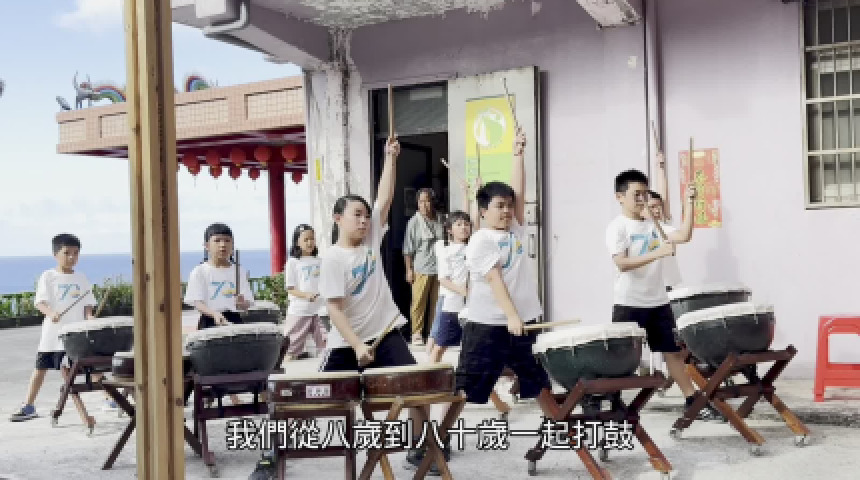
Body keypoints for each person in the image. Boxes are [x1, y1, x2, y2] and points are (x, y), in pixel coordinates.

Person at [606, 169, 721, 420]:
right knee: (621, 359)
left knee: (673, 354)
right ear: (620, 197)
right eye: (636, 194)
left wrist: (689, 202)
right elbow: (622, 263)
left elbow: (684, 236)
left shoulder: (654, 226)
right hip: (629, 302)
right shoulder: (617, 227)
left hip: (658, 302)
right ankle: (613, 404)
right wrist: (658, 253)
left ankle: (692, 401)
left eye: (645, 194)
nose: (642, 199)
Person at [453, 127, 550, 423]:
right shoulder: (481, 240)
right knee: (465, 389)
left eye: (509, 206)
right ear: (483, 211)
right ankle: (436, 439)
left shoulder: (515, 231)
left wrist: (517, 153)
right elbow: (495, 281)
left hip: (523, 321)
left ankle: (560, 430)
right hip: (488, 326)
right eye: (500, 206)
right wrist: (511, 316)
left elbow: (519, 191)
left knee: (539, 382)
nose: (507, 210)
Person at [430, 179, 512, 419]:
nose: (464, 227)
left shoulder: (475, 243)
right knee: (438, 350)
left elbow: (476, 219)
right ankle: (432, 386)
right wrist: (465, 292)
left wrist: (471, 194)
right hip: (451, 306)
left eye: (466, 224)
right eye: (458, 224)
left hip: (469, 310)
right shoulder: (444, 249)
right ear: (449, 229)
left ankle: (500, 405)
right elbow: (443, 280)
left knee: (478, 366)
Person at [10, 234, 99, 422]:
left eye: (76, 253)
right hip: (52, 335)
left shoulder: (81, 278)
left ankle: (110, 399)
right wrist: (51, 313)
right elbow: (40, 302)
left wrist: (90, 316)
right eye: (67, 253)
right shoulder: (48, 276)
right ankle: (28, 406)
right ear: (55, 254)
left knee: (91, 367)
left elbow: (88, 303)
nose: (72, 257)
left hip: (76, 334)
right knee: (40, 369)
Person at [184, 222, 255, 406]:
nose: (223, 245)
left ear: (233, 245)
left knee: (236, 359)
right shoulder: (200, 272)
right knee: (209, 362)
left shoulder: (239, 271)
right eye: (217, 241)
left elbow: (247, 303)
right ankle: (210, 395)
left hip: (233, 319)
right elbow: (197, 301)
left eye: (227, 241)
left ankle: (235, 394)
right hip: (210, 318)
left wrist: (242, 303)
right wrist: (213, 313)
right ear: (207, 246)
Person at [403, 187, 444, 346]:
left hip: (440, 268)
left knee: (437, 303)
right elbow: (408, 249)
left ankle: (433, 333)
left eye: (427, 201)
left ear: (433, 202)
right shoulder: (414, 222)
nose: (424, 205)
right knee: (418, 302)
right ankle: (417, 333)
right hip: (421, 268)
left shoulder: (440, 219)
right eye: (421, 201)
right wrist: (409, 269)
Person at [283, 224, 327, 360]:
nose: (310, 242)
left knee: (327, 346)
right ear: (297, 242)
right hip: (300, 311)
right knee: (290, 349)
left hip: (320, 310)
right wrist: (306, 295)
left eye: (312, 239)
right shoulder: (293, 262)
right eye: (306, 239)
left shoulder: (320, 261)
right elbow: (290, 288)